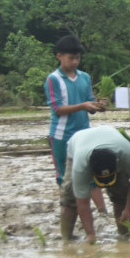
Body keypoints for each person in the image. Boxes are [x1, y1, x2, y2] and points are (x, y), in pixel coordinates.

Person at [60, 127, 130, 243]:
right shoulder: (80, 166)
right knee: (70, 196)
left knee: (121, 193)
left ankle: (124, 234)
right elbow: (83, 203)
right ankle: (66, 240)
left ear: (117, 162)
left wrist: (128, 209)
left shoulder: (128, 155)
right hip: (78, 142)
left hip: (112, 142)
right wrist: (90, 234)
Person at [45, 34, 102, 186]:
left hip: (84, 133)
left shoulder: (85, 77)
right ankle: (67, 207)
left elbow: (90, 103)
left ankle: (92, 208)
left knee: (88, 173)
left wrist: (97, 106)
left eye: (78, 58)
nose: (75, 62)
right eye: (71, 58)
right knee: (64, 176)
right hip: (61, 135)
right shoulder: (53, 79)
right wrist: (83, 105)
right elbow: (57, 109)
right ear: (59, 56)